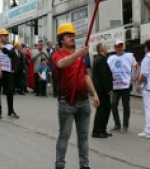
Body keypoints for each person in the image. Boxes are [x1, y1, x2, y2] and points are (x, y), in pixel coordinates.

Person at [52, 23, 99, 169]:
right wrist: (78, 54)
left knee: (83, 137)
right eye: (69, 35)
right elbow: (61, 64)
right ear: (61, 39)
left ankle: (84, 165)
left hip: (83, 101)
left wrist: (95, 94)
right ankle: (60, 164)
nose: (72, 38)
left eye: (73, 35)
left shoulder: (79, 57)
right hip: (67, 102)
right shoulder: (57, 55)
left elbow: (85, 76)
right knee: (64, 136)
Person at [107, 39, 140, 133]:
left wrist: (135, 77)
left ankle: (125, 125)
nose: (120, 48)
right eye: (118, 46)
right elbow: (107, 71)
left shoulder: (129, 56)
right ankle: (117, 124)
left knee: (126, 105)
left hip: (126, 85)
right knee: (113, 105)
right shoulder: (111, 58)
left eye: (121, 46)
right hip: (115, 86)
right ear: (115, 47)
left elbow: (137, 67)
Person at [0, 29, 19, 119]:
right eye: (4, 35)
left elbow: (13, 56)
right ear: (0, 37)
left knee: (10, 91)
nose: (6, 37)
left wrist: (3, 48)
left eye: (7, 35)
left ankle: (10, 110)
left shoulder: (10, 46)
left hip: (8, 72)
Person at [91, 42, 113, 138]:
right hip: (102, 90)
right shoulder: (101, 60)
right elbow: (103, 76)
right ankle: (97, 131)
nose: (107, 48)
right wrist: (108, 89)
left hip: (100, 89)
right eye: (105, 46)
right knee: (102, 110)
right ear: (101, 49)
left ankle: (102, 129)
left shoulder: (100, 59)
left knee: (105, 109)